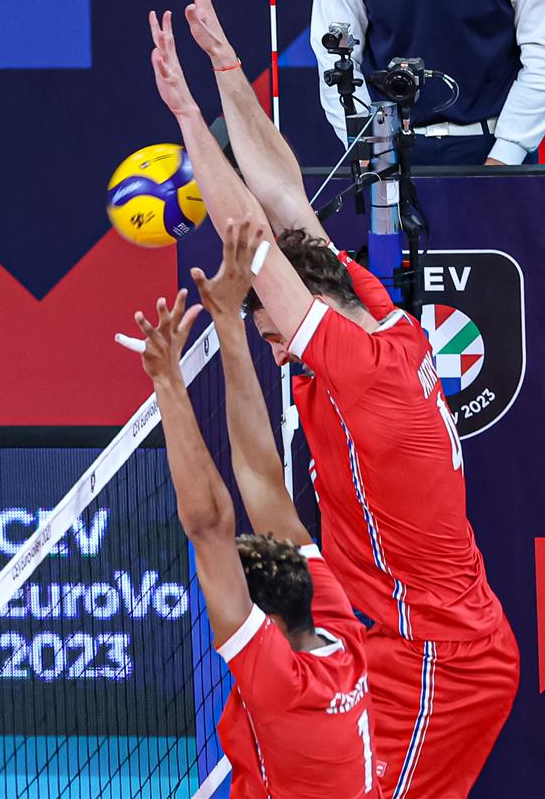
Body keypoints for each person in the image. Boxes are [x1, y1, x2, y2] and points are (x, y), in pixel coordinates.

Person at [150, 0, 520, 796]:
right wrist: (227, 68)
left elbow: (251, 240)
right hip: (396, 634)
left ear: (311, 310)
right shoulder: (381, 317)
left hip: (438, 662)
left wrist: (187, 117)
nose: (280, 350)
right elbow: (286, 203)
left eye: (276, 333)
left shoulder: (362, 373)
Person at [120, 220, 380, 798]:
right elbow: (262, 480)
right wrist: (227, 324)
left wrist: (168, 381)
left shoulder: (285, 681)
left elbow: (208, 527)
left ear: (272, 626)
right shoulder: (336, 634)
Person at [311, 0, 545, 165]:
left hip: (492, 144)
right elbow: (335, 53)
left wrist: (506, 155)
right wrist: (368, 149)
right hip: (389, 154)